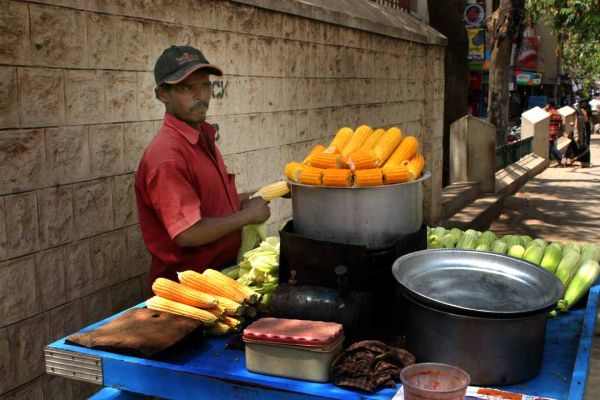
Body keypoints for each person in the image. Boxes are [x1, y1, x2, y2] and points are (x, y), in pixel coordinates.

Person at [135, 45, 271, 284]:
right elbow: (187, 232)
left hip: (222, 279)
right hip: (190, 290)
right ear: (163, 94)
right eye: (187, 87)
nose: (200, 95)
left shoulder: (200, 138)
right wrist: (247, 217)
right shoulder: (168, 156)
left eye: (205, 85)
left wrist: (258, 196)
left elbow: (208, 204)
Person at [544, 101, 565, 167]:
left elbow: (542, 117)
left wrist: (545, 109)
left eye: (547, 105)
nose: (546, 106)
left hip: (549, 132)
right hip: (555, 131)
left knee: (552, 147)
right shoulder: (558, 113)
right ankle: (550, 161)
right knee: (550, 147)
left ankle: (561, 160)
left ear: (549, 106)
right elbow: (561, 122)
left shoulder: (549, 113)